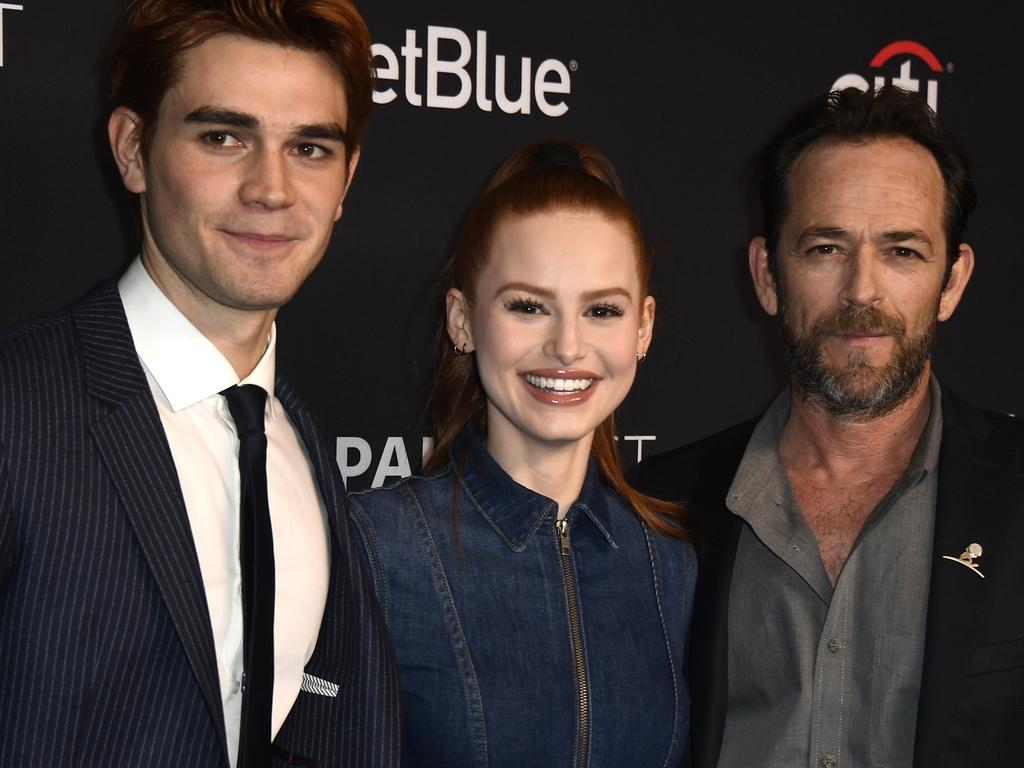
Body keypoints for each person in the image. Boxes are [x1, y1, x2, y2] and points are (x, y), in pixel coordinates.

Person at [0, 1, 398, 766]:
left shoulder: (299, 444)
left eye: (310, 148)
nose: (271, 189)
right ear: (132, 150)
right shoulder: (17, 410)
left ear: (346, 180)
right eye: (224, 137)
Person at [632, 85, 1024, 768]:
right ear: (767, 275)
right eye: (824, 248)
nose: (862, 290)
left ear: (953, 281)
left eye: (902, 251)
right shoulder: (654, 511)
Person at [350, 140, 696, 766]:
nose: (567, 346)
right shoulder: (374, 546)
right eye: (529, 306)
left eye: (602, 310)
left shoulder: (675, 562)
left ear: (642, 328)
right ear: (463, 319)